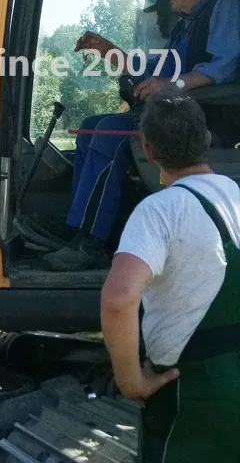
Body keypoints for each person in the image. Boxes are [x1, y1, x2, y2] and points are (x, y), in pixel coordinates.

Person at [43, 0, 240, 271]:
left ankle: (90, 244)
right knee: (92, 126)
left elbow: (222, 66)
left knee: (109, 134)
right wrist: (109, 50)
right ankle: (82, 230)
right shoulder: (186, 24)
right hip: (177, 110)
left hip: (203, 119)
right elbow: (154, 67)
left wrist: (172, 85)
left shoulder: (225, 7)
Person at [100, 91, 240, 462]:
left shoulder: (160, 210)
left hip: (191, 397)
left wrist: (131, 382)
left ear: (147, 149)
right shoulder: (238, 197)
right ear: (207, 139)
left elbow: (118, 299)